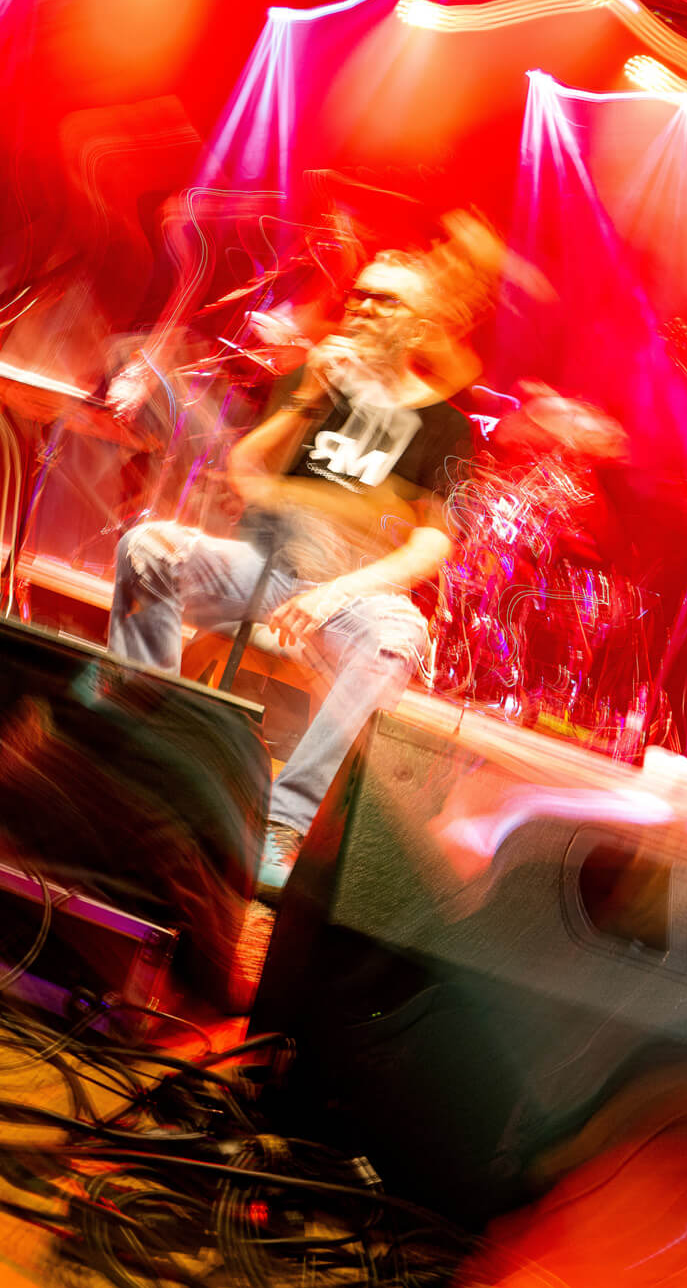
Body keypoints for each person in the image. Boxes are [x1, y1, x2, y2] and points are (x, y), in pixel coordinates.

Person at [106, 250, 477, 898]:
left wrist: (339, 591)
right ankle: (148, 749)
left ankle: (284, 822)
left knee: (398, 639)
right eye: (358, 295)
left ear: (419, 327)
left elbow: (433, 544)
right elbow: (247, 474)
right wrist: (306, 401)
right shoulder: (316, 381)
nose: (362, 307)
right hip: (263, 565)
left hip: (350, 591)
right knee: (147, 548)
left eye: (384, 300)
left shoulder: (445, 424)